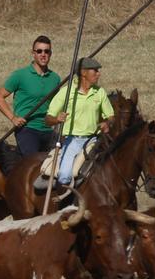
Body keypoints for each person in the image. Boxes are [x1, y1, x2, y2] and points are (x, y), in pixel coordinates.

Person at [44, 58, 114, 186]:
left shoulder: (99, 92)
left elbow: (110, 116)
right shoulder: (66, 92)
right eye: (95, 71)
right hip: (72, 141)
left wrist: (107, 123)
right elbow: (48, 119)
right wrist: (56, 119)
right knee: (65, 175)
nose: (99, 74)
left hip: (93, 140)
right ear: (83, 73)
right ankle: (63, 200)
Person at [0, 35, 61, 156]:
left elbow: (58, 104)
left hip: (48, 130)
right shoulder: (20, 75)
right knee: (32, 163)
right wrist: (13, 118)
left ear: (51, 53)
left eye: (47, 51)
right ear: (33, 53)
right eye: (39, 51)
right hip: (27, 129)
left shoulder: (55, 78)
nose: (43, 54)